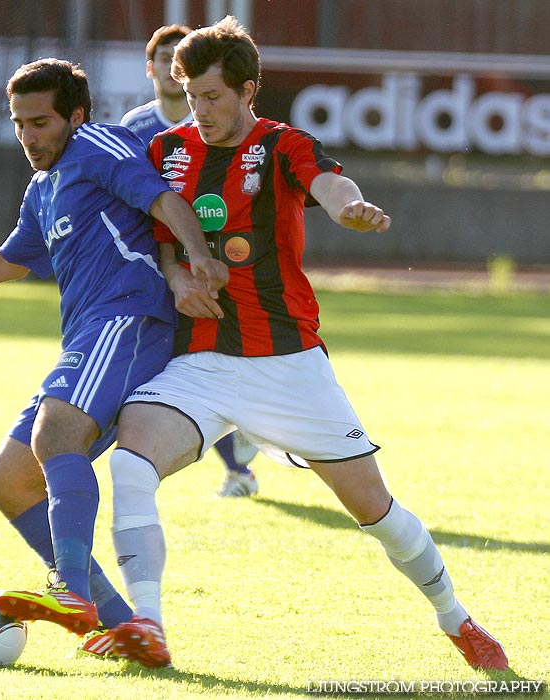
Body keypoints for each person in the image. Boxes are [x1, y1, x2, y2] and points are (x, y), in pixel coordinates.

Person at [98, 17, 506, 670]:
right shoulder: (167, 151)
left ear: (247, 91)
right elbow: (162, 237)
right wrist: (177, 276)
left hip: (287, 367)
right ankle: (147, 624)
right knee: (128, 462)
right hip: (199, 364)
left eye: (212, 96)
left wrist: (351, 206)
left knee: (375, 512)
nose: (199, 111)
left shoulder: (282, 144)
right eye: (191, 96)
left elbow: (329, 183)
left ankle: (455, 619)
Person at [0, 59, 228, 657]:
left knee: (56, 437)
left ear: (75, 117)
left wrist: (193, 259)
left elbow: (161, 200)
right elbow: (10, 259)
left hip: (131, 319)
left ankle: (71, 593)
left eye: (41, 122)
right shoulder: (43, 186)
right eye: (19, 124)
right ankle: (124, 625)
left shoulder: (99, 144)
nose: (29, 136)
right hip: (89, 337)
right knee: (10, 480)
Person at [122, 23, 259, 498]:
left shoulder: (228, 124)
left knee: (211, 352)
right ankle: (233, 447)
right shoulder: (135, 127)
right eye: (160, 59)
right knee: (181, 357)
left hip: (219, 262)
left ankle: (250, 438)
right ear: (153, 69)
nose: (166, 67)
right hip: (159, 261)